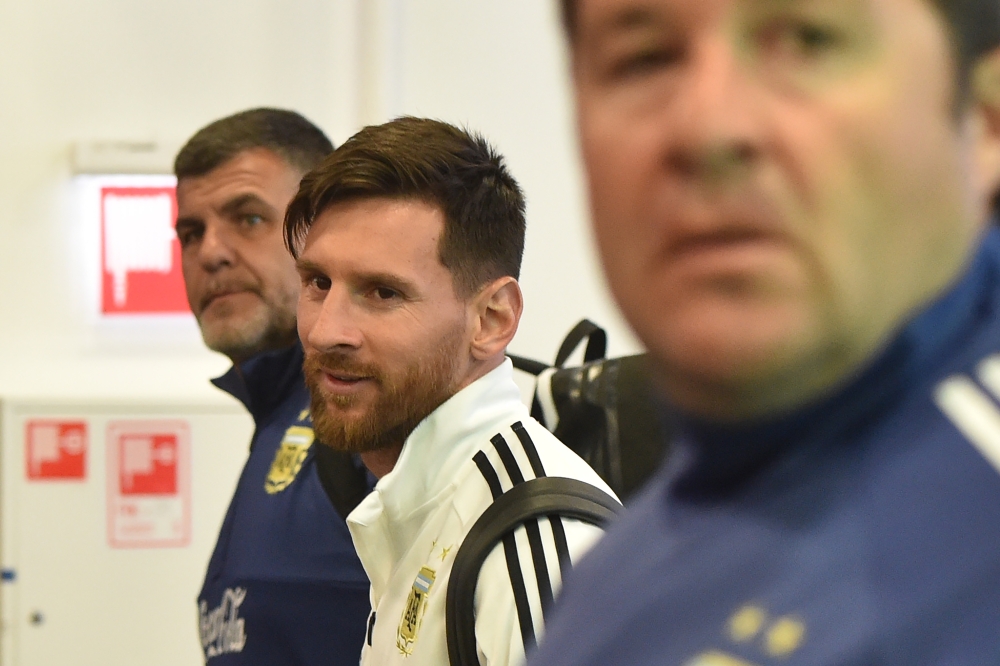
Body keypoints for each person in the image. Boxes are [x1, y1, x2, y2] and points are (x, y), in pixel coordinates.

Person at [527, 0, 1000, 664]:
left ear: (984, 119)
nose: (706, 127)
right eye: (645, 58)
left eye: (808, 39)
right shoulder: (607, 595)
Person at [284, 116, 618, 666]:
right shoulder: (425, 507)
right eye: (318, 283)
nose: (325, 332)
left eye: (382, 292)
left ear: (491, 319)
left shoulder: (530, 539)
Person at [174, 108, 371, 665]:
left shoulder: (381, 416)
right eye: (191, 233)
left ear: (324, 230)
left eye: (249, 219)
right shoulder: (276, 420)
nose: (210, 252)